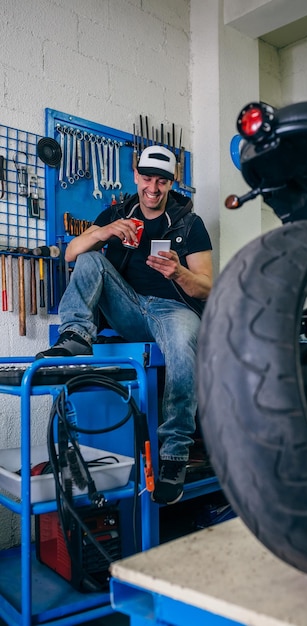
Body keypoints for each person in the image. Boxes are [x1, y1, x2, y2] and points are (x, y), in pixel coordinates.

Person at [36, 145, 213, 505]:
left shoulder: (189, 223)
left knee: (182, 345)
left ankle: (175, 454)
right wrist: (104, 232)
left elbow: (208, 286)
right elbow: (71, 254)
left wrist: (178, 272)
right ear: (136, 176)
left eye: (162, 181)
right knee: (87, 260)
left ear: (170, 183)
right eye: (147, 178)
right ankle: (76, 336)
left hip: (172, 309)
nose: (153, 188)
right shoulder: (118, 212)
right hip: (128, 308)